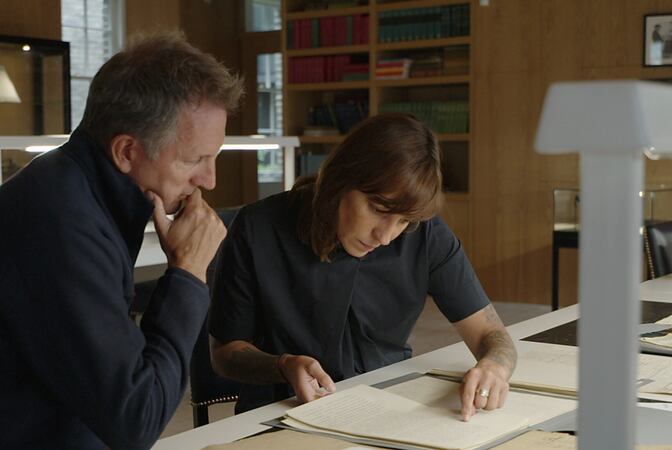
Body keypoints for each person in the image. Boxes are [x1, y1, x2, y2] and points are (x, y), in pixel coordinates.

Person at [0, 33, 243, 449]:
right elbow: (137, 420)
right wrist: (186, 274)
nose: (210, 180)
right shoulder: (59, 220)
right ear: (127, 151)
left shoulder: (86, 193)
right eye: (194, 159)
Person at [209, 113, 517, 421]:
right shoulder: (257, 228)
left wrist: (494, 366)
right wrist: (283, 365)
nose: (385, 236)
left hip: (387, 407)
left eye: (403, 221)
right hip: (281, 413)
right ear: (340, 179)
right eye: (378, 209)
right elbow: (225, 354)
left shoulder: (425, 233)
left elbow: (491, 333)